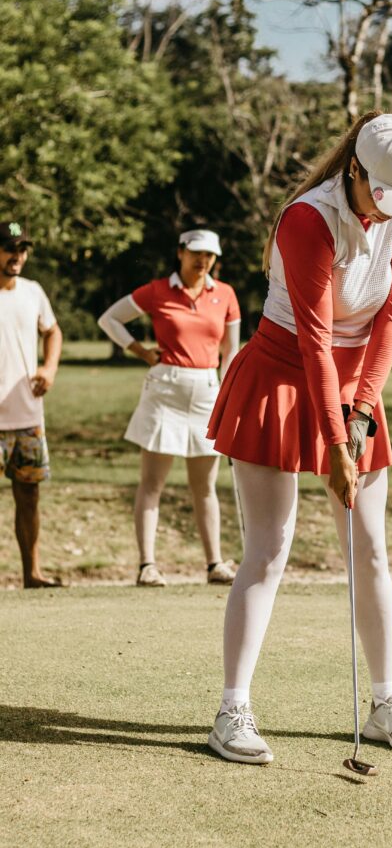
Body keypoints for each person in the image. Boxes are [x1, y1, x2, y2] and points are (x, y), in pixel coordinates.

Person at [205, 112, 392, 764]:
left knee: (369, 548)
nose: (389, 211)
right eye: (377, 195)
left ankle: (386, 699)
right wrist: (335, 446)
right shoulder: (307, 218)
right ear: (354, 171)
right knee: (268, 549)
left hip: (356, 377)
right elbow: (312, 337)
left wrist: (357, 415)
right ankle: (232, 709)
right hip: (280, 373)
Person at [98, 229, 241, 587]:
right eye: (196, 253)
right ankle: (147, 565)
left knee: (205, 485)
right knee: (152, 482)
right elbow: (109, 320)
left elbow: (231, 353)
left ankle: (214, 564)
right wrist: (142, 352)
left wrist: (230, 399)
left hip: (207, 390)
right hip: (165, 389)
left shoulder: (224, 294)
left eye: (209, 255)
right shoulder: (158, 290)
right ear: (180, 252)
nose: (202, 260)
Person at [0, 221, 63, 588]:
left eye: (22, 249)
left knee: (29, 496)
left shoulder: (33, 291)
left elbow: (52, 330)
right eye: (9, 248)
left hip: (27, 415)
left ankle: (32, 574)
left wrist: (50, 367)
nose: (17, 256)